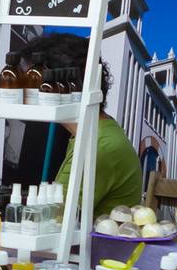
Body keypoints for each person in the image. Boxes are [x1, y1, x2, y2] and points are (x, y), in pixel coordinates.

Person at [26, 39, 143, 213]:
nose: (24, 89)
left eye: (32, 79)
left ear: (57, 85)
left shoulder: (99, 147)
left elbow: (50, 219)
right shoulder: (96, 134)